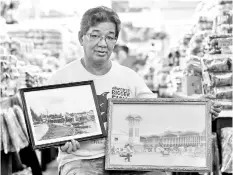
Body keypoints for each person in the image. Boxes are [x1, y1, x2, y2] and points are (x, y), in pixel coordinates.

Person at [47, 6, 222, 175]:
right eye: (95, 35)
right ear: (81, 38)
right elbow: (47, 125)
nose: (103, 43)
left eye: (110, 37)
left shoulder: (128, 77)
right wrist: (60, 141)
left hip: (127, 157)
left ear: (115, 41)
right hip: (80, 160)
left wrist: (197, 107)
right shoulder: (62, 79)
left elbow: (158, 110)